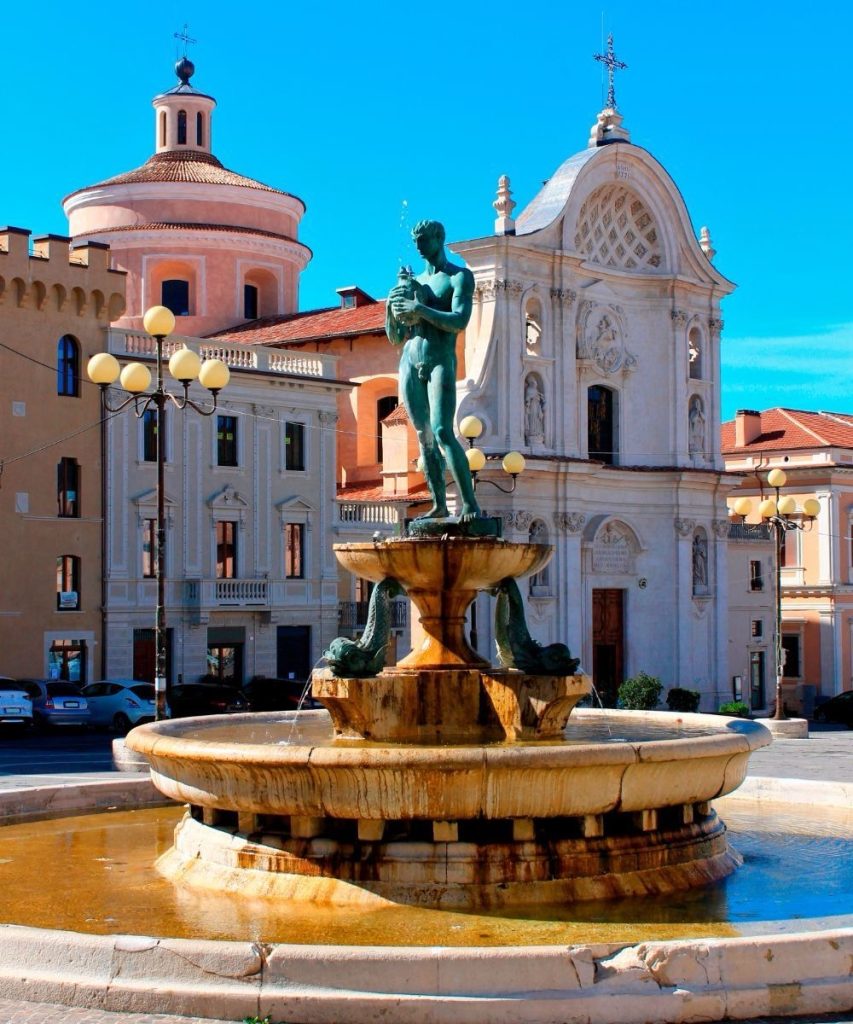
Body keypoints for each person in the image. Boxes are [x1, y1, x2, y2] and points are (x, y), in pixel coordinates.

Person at [386, 220, 481, 522]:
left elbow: (459, 321)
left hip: (440, 359)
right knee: (423, 436)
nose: (418, 246)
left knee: (442, 430)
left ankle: (469, 505)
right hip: (409, 362)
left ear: (440, 238)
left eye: (423, 239)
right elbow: (396, 337)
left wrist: (421, 310)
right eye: (415, 241)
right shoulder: (414, 284)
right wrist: (391, 308)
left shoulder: (459, 277)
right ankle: (439, 503)